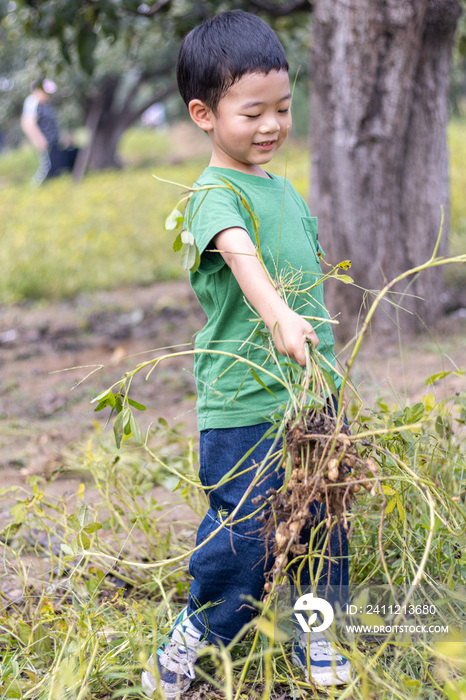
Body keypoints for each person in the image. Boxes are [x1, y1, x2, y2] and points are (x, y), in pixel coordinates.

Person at [142, 10, 351, 697]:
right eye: (252, 111)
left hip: (311, 392)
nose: (272, 126)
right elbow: (241, 254)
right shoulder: (213, 195)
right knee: (243, 538)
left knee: (326, 523)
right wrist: (279, 314)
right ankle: (197, 636)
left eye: (284, 109)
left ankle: (318, 633)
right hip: (245, 402)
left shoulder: (284, 189)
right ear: (204, 114)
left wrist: (318, 351)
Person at [21, 78, 78, 185]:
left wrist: (64, 137)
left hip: (54, 141)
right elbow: (28, 123)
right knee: (47, 166)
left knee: (56, 166)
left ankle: (51, 188)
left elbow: (54, 124)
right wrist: (39, 140)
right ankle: (35, 188)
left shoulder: (46, 104)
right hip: (45, 142)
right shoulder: (32, 102)